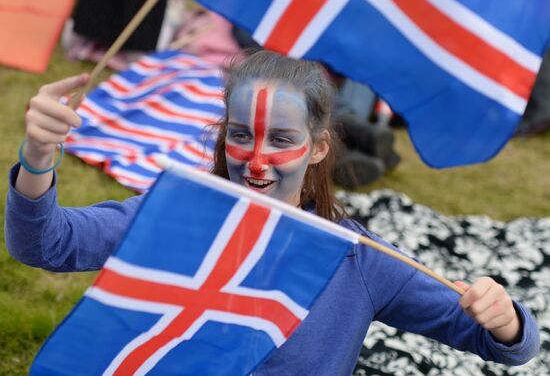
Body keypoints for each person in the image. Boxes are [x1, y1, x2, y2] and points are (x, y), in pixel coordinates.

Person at [5, 50, 539, 375]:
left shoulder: (357, 259)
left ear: (319, 146)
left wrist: (507, 319)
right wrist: (38, 156)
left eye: (281, 139)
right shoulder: (172, 219)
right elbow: (45, 244)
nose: (256, 161)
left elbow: (506, 347)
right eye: (241, 136)